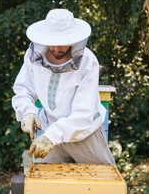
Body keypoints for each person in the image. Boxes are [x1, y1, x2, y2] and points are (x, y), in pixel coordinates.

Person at [12, 9, 115, 165]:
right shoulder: (33, 56)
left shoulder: (87, 61)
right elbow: (23, 89)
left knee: (102, 185)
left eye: (63, 42)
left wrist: (51, 136)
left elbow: (84, 112)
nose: (57, 48)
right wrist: (28, 111)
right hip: (49, 133)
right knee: (44, 185)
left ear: (73, 40)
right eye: (52, 41)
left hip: (84, 135)